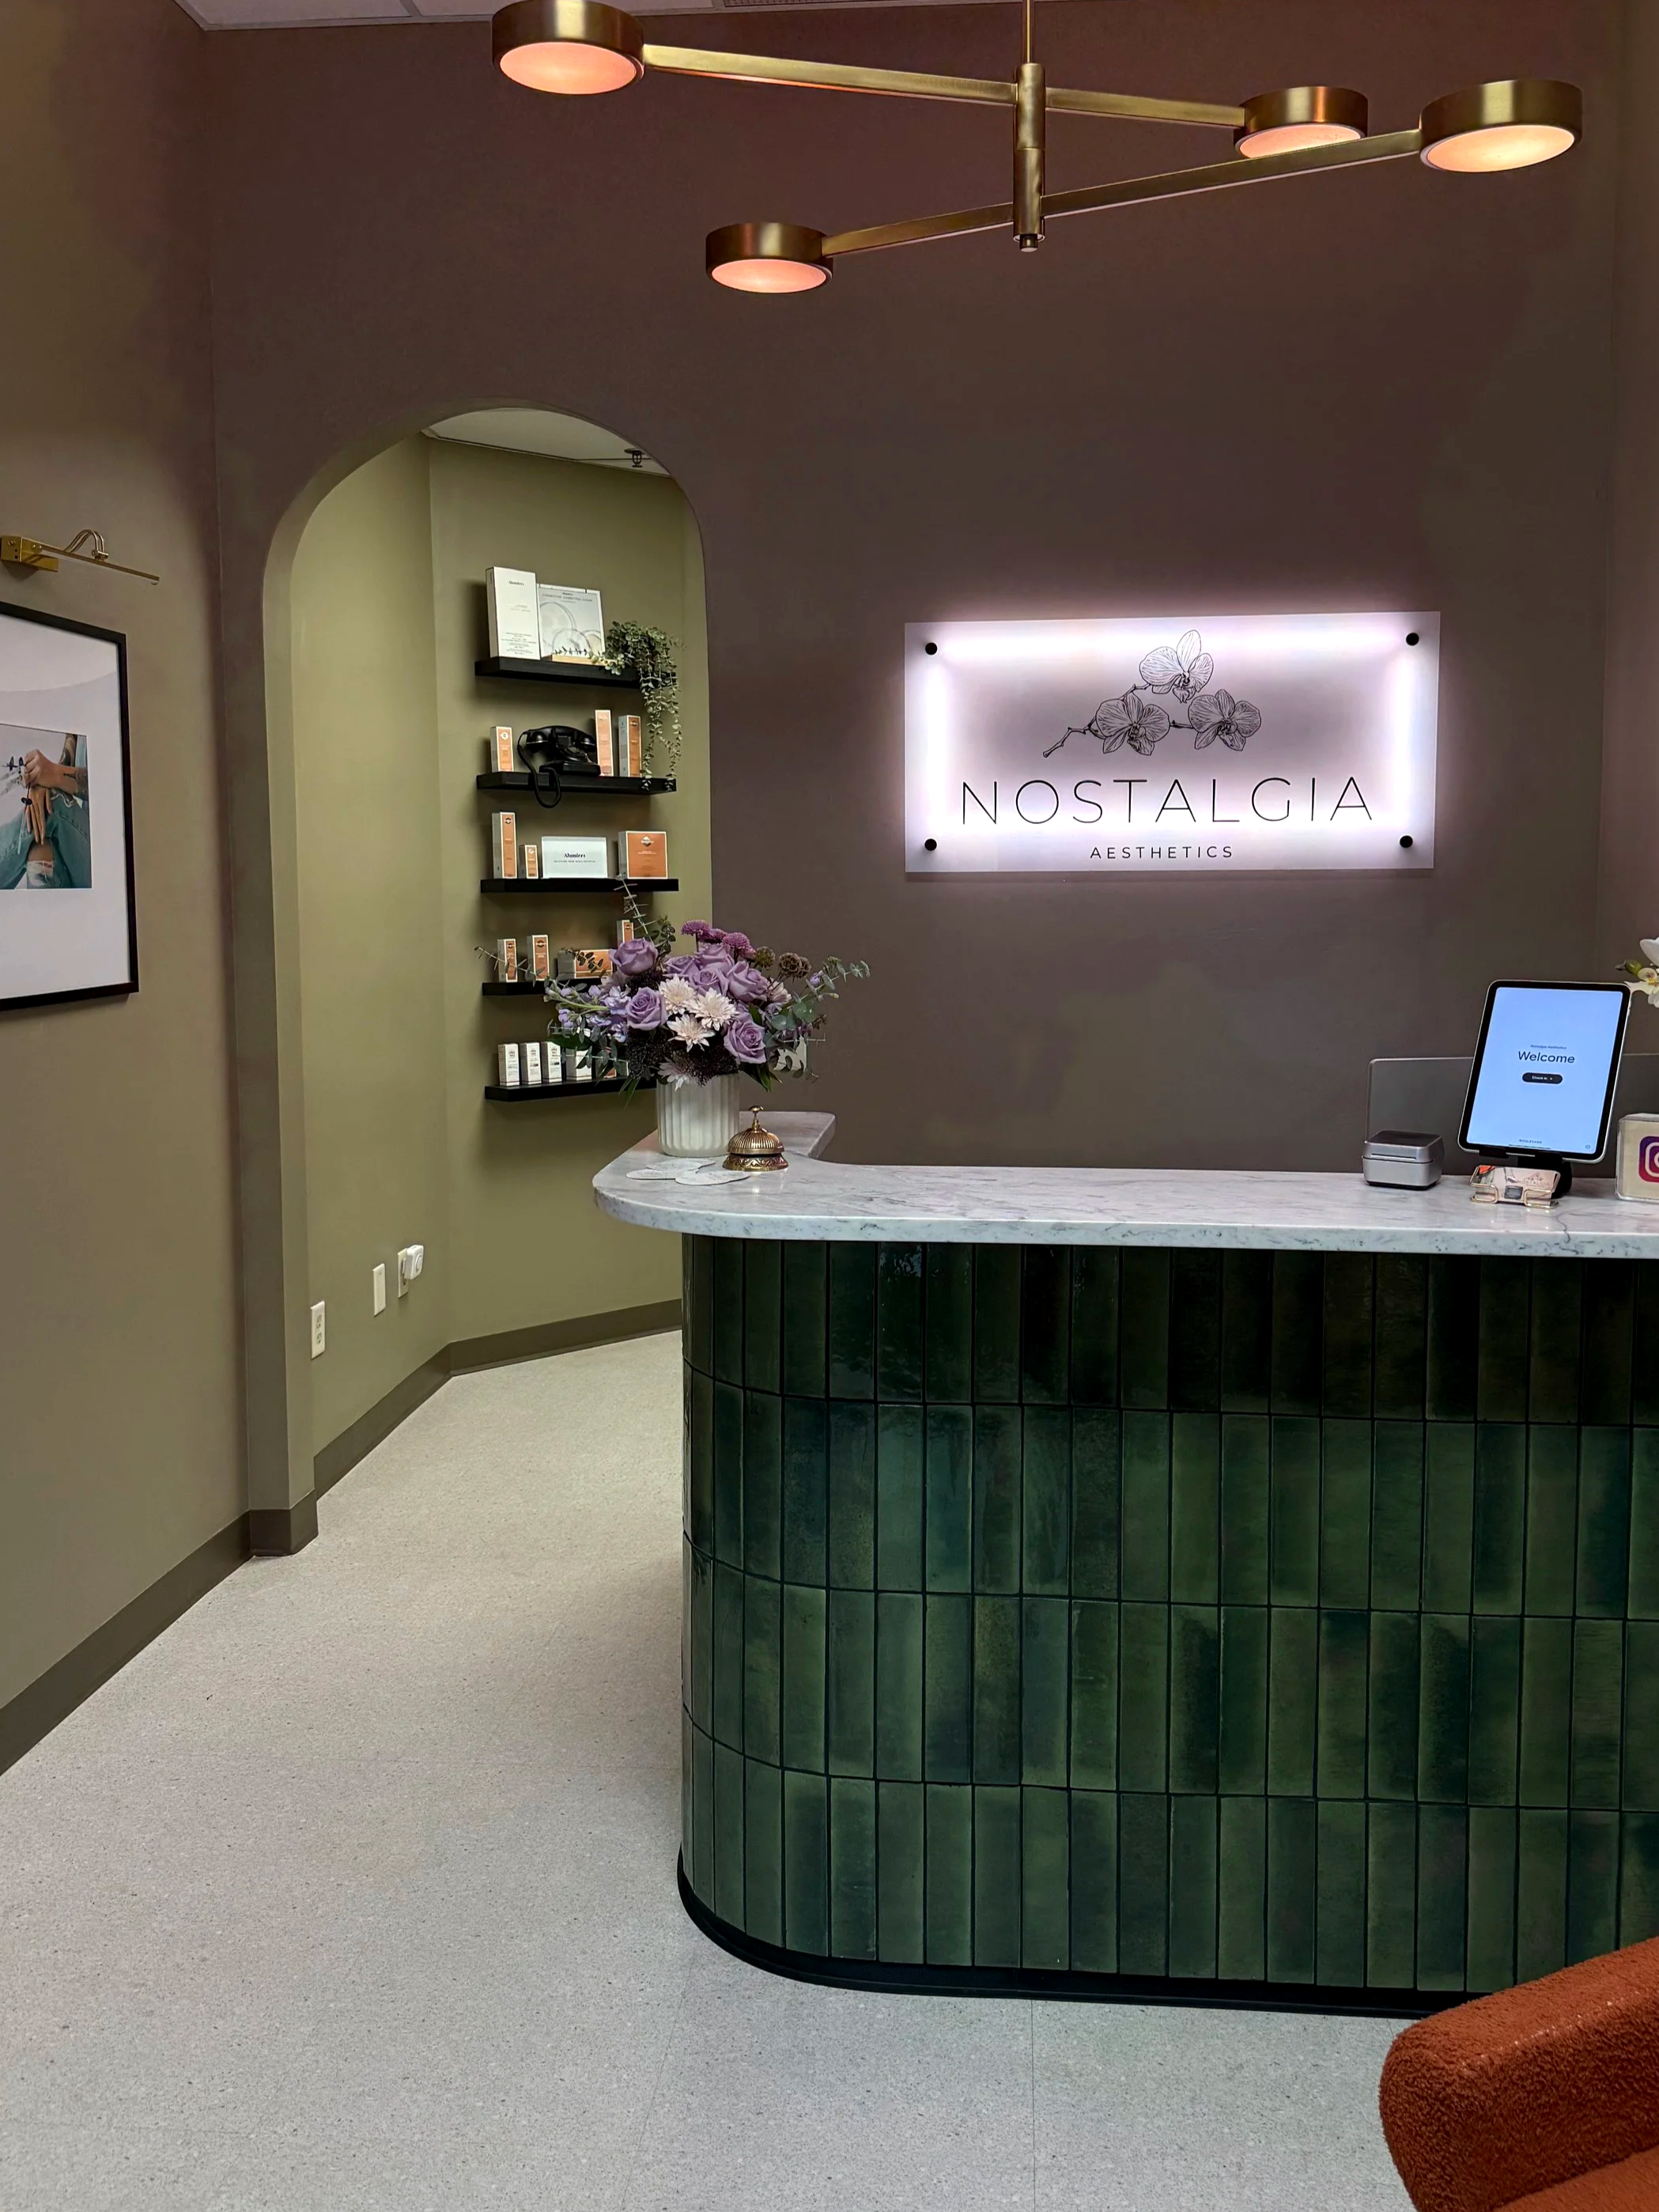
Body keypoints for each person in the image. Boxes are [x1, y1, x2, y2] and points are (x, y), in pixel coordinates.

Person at [0, 736, 89, 889]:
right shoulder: (77, 716)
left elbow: (111, 787)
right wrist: (42, 782)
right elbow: (67, 760)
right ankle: (42, 911)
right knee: (40, 846)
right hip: (82, 843)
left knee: (50, 806)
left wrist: (56, 775)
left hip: (109, 851)